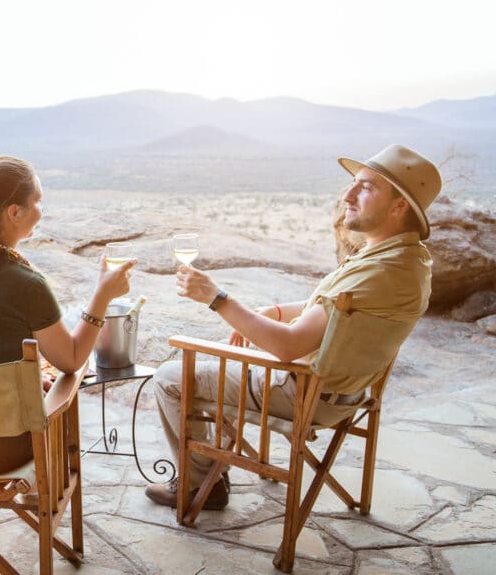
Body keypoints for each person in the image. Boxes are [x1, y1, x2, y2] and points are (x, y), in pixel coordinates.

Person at [145, 144, 441, 510]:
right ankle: (212, 468)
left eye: (365, 187)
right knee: (232, 358)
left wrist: (215, 297)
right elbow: (334, 311)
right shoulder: (405, 260)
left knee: (172, 375)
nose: (347, 195)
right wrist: (274, 311)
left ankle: (197, 485)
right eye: (353, 183)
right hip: (345, 394)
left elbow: (288, 347)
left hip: (300, 390)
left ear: (399, 207)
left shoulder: (379, 272)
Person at [0, 155, 135, 506]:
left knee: (1, 390)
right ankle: (34, 484)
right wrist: (103, 294)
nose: (41, 211)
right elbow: (72, 359)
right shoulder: (25, 283)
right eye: (37, 202)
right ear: (14, 213)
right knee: (59, 390)